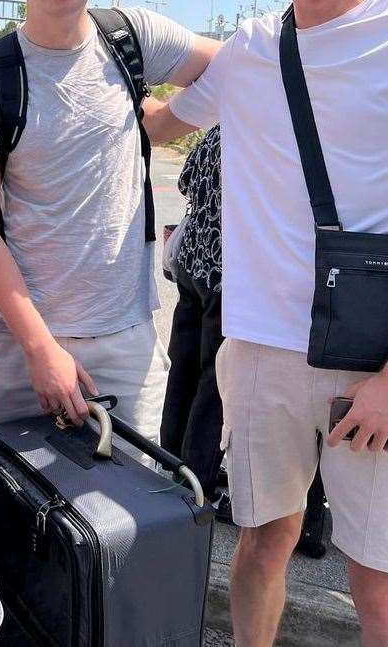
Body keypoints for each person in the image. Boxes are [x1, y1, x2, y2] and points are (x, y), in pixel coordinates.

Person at [146, 0, 388, 643]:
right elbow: (158, 124)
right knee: (260, 546)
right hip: (259, 353)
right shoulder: (253, 48)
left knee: (382, 582)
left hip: (378, 359)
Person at [0, 0, 219, 437]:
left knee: (135, 515)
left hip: (126, 342)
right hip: (20, 346)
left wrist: (168, 121)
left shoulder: (133, 38)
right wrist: (40, 348)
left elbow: (235, 69)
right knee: (18, 511)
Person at [160, 125, 225, 500]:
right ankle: (196, 482)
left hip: (192, 262)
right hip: (228, 272)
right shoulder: (263, 137)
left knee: (183, 367)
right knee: (214, 383)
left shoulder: (217, 132)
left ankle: (170, 462)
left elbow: (185, 181)